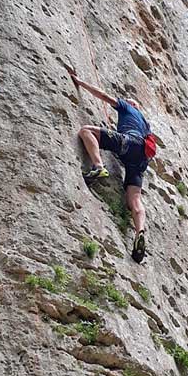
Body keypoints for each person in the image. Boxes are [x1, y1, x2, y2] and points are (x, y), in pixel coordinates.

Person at [67, 68, 153, 263]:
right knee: (135, 198)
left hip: (130, 142)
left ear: (132, 105)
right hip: (142, 159)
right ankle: (139, 231)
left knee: (86, 131)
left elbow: (104, 96)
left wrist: (79, 82)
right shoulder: (145, 124)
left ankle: (98, 166)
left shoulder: (128, 107)